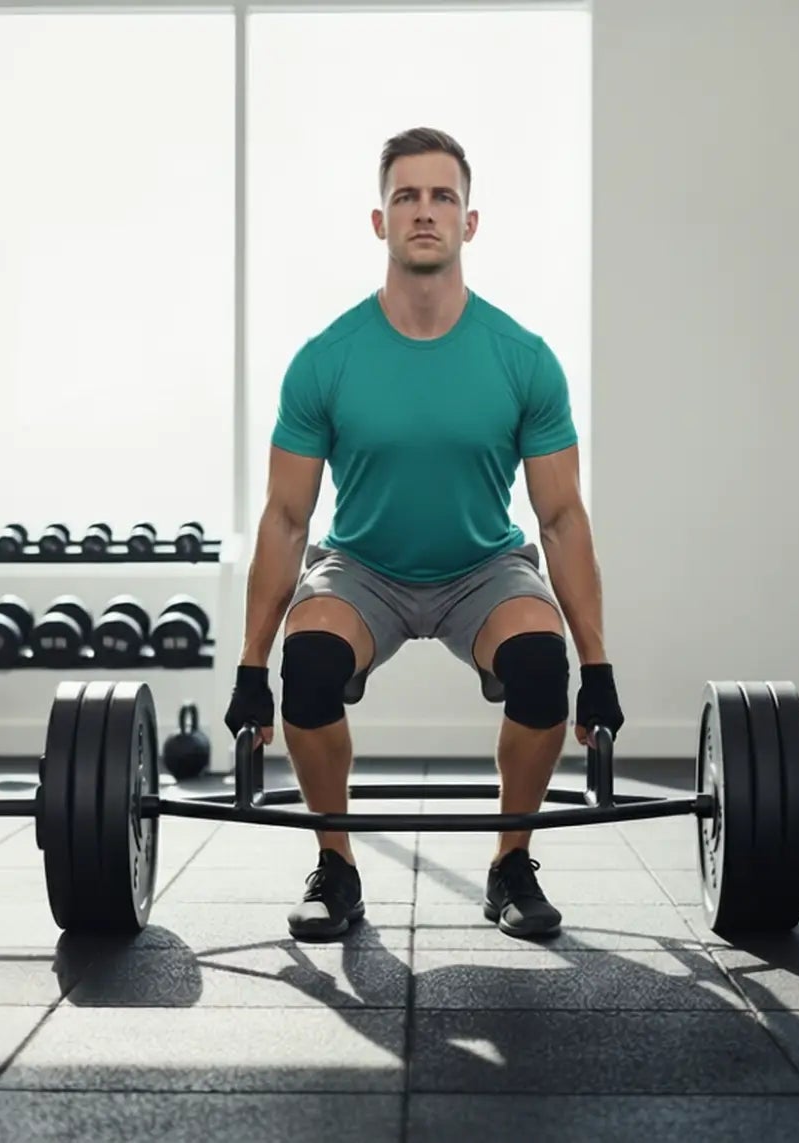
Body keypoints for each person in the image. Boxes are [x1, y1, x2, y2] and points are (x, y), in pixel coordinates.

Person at [224, 127, 624, 942]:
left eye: (443, 196)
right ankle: (335, 865)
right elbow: (287, 518)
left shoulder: (524, 359)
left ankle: (511, 862)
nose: (425, 211)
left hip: (484, 568)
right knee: (310, 664)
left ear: (470, 221)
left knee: (540, 665)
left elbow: (560, 517)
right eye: (406, 196)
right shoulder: (324, 360)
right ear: (380, 221)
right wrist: (251, 666)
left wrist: (598, 667)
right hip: (362, 568)